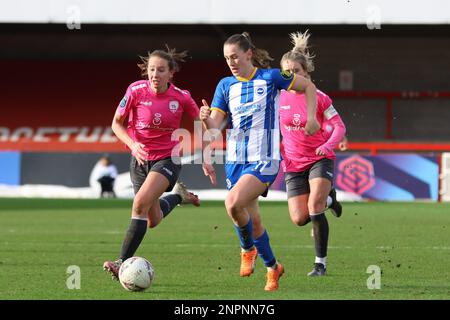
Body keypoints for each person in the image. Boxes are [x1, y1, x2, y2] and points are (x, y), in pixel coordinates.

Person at [200, 32, 320, 291]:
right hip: (236, 162)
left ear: (248, 54)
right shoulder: (225, 86)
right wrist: (204, 117)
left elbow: (308, 87)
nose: (231, 62)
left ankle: (246, 250)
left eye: (234, 56)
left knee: (232, 203)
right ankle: (273, 267)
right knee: (251, 221)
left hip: (264, 158)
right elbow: (214, 128)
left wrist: (312, 117)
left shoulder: (271, 78)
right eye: (226, 58)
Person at [103, 46, 215, 280]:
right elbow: (116, 124)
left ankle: (121, 263)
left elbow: (204, 127)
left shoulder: (181, 97)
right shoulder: (135, 90)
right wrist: (133, 145)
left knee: (139, 205)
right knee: (152, 219)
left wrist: (207, 136)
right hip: (140, 159)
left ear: (171, 73)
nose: (155, 75)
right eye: (151, 69)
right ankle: (178, 196)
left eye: (161, 70)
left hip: (168, 160)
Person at [279, 30, 346, 277]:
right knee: (299, 218)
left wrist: (328, 145)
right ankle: (332, 200)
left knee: (314, 206)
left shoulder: (319, 98)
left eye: (296, 71)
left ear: (306, 73)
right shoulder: (279, 96)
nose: (291, 76)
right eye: (287, 72)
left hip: (319, 158)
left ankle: (320, 264)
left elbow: (340, 127)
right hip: (293, 163)